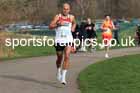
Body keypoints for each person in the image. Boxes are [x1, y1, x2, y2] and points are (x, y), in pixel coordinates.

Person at [49, 3, 76, 85]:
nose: (66, 10)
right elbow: (50, 26)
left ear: (69, 9)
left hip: (68, 40)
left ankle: (63, 78)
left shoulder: (71, 17)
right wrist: (57, 24)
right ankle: (58, 71)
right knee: (59, 58)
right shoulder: (58, 17)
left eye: (67, 9)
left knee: (67, 56)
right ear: (62, 9)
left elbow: (74, 23)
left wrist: (73, 28)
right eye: (64, 9)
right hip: (59, 40)